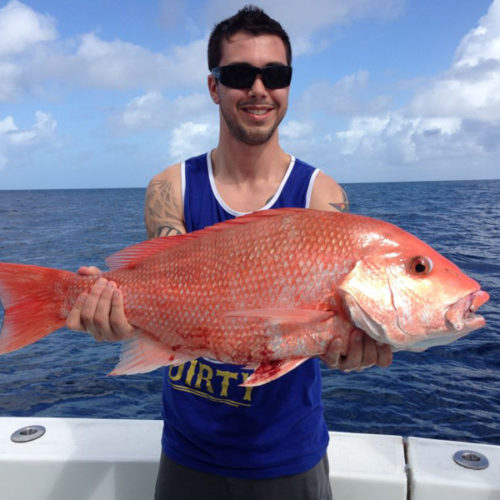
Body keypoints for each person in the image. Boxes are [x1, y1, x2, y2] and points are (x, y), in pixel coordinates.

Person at [66, 6, 392, 500]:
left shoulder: (321, 196)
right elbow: (166, 296)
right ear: (214, 86)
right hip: (189, 452)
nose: (259, 89)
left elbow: (322, 334)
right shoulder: (170, 187)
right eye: (240, 74)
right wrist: (110, 314)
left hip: (288, 456)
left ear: (287, 86)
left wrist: (351, 352)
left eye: (275, 75)